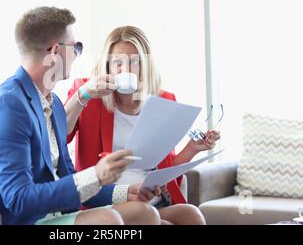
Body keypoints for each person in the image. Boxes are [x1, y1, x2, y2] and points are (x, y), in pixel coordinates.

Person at [0, 8, 162, 225]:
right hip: (21, 220)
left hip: (54, 216)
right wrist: (96, 175)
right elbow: (19, 200)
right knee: (108, 221)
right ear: (56, 51)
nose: (78, 54)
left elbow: (68, 176)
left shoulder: (54, 104)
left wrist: (125, 193)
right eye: (76, 47)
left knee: (146, 214)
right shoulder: (6, 107)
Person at [65, 25, 221, 225]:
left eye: (134, 62)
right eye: (118, 63)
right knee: (155, 220)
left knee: (192, 215)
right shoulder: (90, 96)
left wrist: (192, 148)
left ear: (145, 66)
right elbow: (62, 134)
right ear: (107, 66)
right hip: (108, 203)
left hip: (151, 201)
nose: (126, 70)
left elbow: (166, 167)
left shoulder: (164, 100)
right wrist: (83, 95)